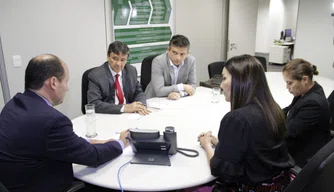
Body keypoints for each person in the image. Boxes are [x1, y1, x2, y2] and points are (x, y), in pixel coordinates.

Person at [0, 54, 129, 192]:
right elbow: (93, 156)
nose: (67, 88)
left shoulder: (14, 104)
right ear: (53, 82)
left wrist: (93, 141)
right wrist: (120, 143)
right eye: (66, 81)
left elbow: (50, 141)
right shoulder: (52, 120)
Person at [198, 55, 294, 192]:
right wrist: (219, 142)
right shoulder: (272, 108)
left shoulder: (237, 118)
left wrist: (206, 144)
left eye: (224, 78)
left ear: (239, 81)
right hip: (281, 184)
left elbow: (221, 171)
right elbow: (253, 149)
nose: (220, 85)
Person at [282, 58, 330, 167]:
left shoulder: (313, 103)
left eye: (290, 83)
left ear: (304, 80)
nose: (287, 87)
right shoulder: (307, 91)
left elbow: (288, 133)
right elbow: (288, 110)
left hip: (302, 157)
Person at [87, 41, 150, 115]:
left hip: (129, 115)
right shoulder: (96, 75)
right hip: (108, 115)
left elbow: (139, 92)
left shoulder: (131, 70)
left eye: (122, 60)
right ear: (108, 56)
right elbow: (94, 104)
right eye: (115, 58)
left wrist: (141, 105)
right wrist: (124, 108)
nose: (118, 64)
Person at [145, 34, 197, 100]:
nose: (178, 58)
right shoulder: (158, 61)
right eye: (175, 53)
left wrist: (180, 94)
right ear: (168, 49)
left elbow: (192, 86)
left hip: (176, 100)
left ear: (187, 53)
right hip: (155, 100)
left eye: (182, 54)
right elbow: (159, 91)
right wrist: (182, 87)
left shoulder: (191, 61)